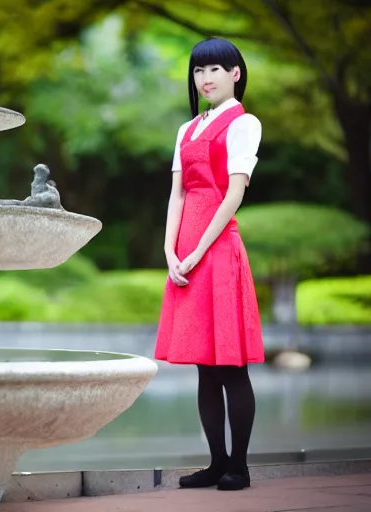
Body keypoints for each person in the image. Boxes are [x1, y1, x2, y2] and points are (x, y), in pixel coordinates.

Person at [155, 37, 265, 492]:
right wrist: (169, 250)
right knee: (204, 364)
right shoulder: (187, 129)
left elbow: (234, 194)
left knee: (231, 364)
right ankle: (217, 462)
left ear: (235, 74)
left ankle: (239, 465)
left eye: (215, 70)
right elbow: (178, 194)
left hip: (218, 249)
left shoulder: (245, 123)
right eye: (199, 71)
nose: (205, 79)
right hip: (186, 251)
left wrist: (198, 250)